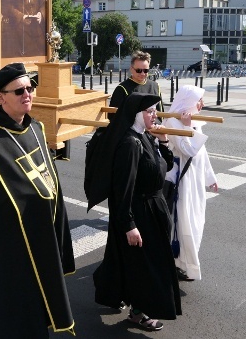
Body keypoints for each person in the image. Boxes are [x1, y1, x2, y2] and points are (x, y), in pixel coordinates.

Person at [0, 63, 75, 338]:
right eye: (19, 90)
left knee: (37, 313)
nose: (27, 94)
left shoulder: (36, 130)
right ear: (0, 97)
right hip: (6, 249)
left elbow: (48, 180)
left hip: (40, 235)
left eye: (30, 88)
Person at [91, 93, 180, 332]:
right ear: (136, 114)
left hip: (154, 208)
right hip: (141, 212)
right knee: (146, 266)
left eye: (156, 110)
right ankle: (139, 313)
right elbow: (122, 189)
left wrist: (163, 142)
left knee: (130, 262)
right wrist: (129, 224)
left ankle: (113, 291)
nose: (155, 115)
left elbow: (165, 167)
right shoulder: (130, 144)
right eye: (150, 111)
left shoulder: (146, 137)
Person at [162, 85, 218, 282]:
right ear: (187, 103)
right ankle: (180, 264)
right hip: (182, 182)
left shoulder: (191, 120)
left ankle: (184, 264)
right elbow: (188, 150)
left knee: (196, 222)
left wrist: (211, 178)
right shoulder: (172, 121)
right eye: (198, 101)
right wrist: (187, 126)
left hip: (195, 181)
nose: (202, 105)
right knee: (184, 224)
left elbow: (202, 154)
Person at [108, 50, 163, 121]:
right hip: (131, 130)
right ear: (131, 69)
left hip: (152, 129)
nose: (142, 74)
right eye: (139, 70)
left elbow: (160, 114)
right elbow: (113, 116)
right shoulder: (122, 89)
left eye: (146, 71)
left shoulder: (155, 86)